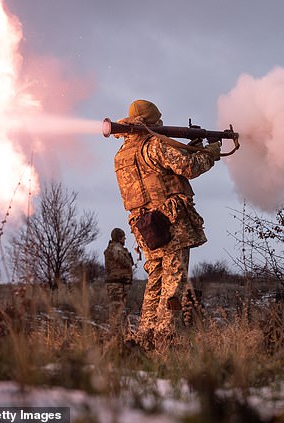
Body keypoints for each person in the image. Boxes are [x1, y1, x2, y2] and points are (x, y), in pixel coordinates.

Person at [113, 99, 220, 349]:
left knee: (155, 281)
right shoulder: (154, 145)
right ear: (152, 121)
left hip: (144, 226)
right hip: (171, 222)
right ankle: (165, 338)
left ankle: (145, 337)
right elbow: (189, 168)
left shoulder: (122, 155)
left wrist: (191, 147)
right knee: (175, 282)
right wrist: (210, 153)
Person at [103, 227, 134, 323]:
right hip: (116, 286)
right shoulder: (116, 248)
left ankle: (118, 335)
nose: (125, 239)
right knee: (116, 313)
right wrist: (128, 257)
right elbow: (124, 261)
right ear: (119, 238)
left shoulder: (116, 248)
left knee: (118, 312)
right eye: (123, 237)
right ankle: (115, 336)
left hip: (119, 285)